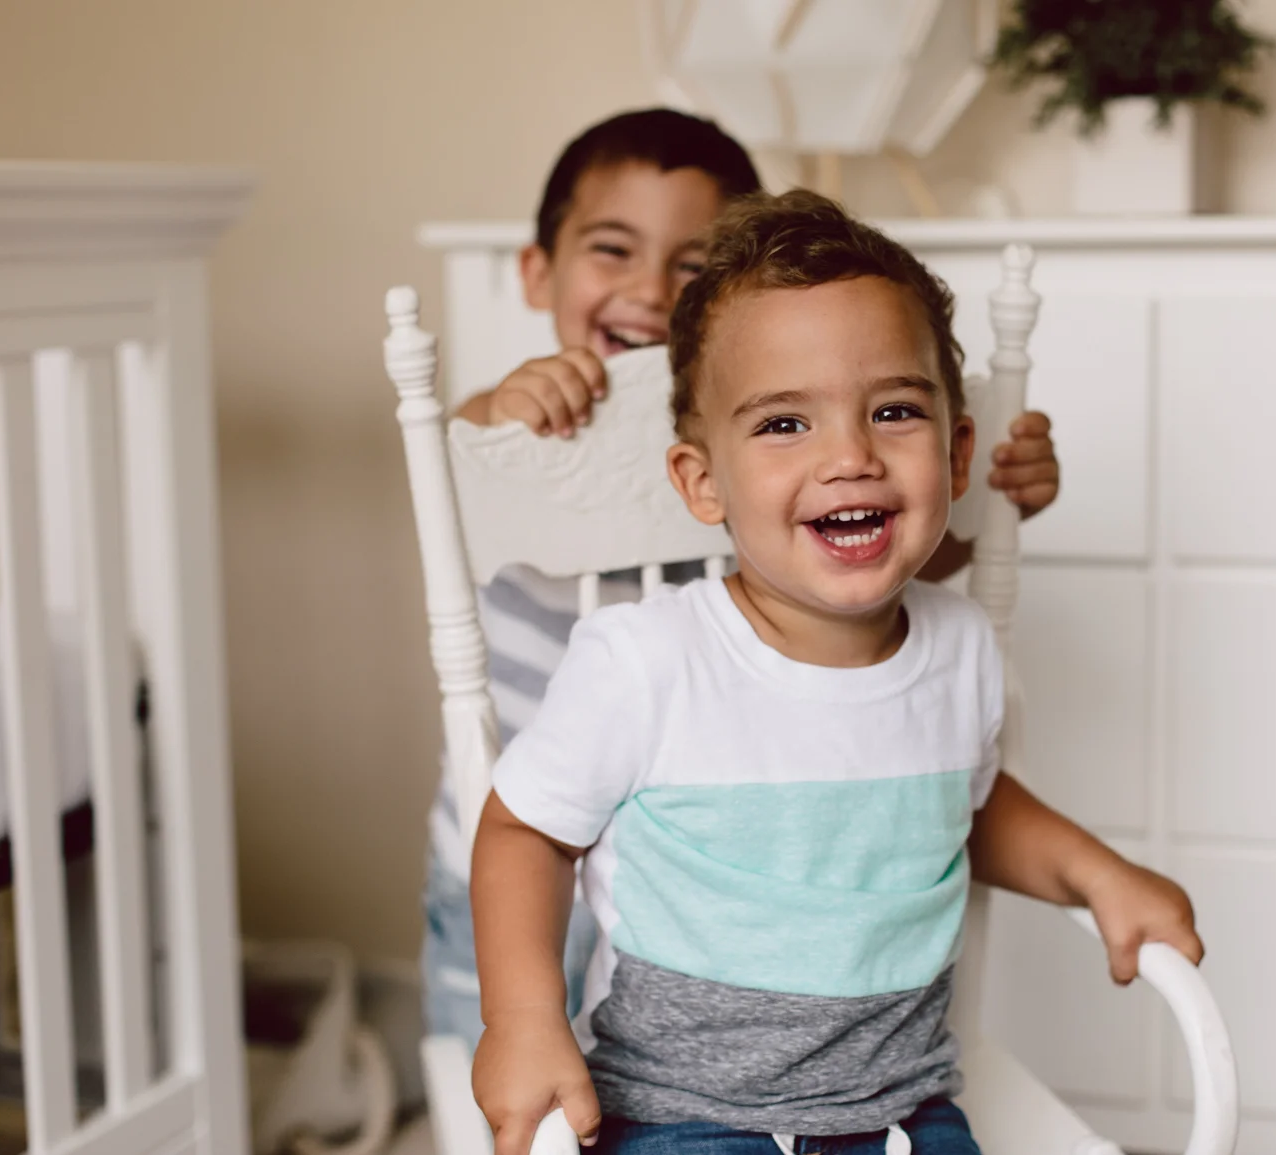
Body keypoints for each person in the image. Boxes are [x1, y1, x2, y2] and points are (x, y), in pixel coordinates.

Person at [468, 190, 1202, 1155]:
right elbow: (525, 829)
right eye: (784, 424)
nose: (850, 455)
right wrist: (524, 1017)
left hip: (903, 1110)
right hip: (683, 1115)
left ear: (957, 454)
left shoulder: (958, 647)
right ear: (702, 481)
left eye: (894, 411)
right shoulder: (648, 662)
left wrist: (1098, 874)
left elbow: (965, 805)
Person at [421, 108, 1062, 1053]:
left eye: (692, 265)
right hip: (522, 841)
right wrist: (500, 409)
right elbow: (460, 463)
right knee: (509, 1073)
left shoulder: (757, 439)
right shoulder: (526, 409)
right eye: (612, 250)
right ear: (538, 271)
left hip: (709, 859)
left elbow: (856, 571)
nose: (650, 290)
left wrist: (995, 500)